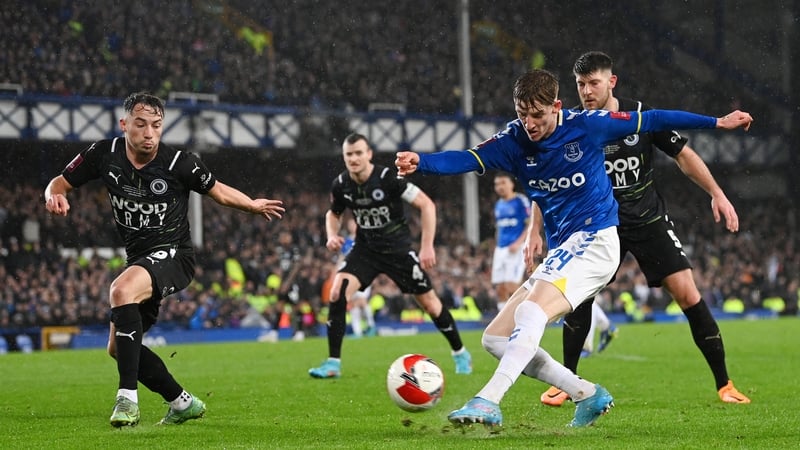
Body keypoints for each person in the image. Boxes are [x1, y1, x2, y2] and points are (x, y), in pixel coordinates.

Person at [395, 69, 752, 427]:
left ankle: (488, 400)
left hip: (597, 240)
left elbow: (655, 118)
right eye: (522, 113)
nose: (529, 123)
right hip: (565, 247)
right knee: (495, 338)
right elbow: (467, 158)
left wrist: (716, 122)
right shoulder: (513, 139)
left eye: (537, 114)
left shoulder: (588, 125)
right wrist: (422, 162)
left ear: (556, 106)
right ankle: (586, 393)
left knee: (532, 312)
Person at [43, 92, 285, 428]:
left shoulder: (179, 163)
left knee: (120, 290)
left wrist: (252, 205)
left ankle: (127, 400)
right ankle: (182, 402)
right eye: (140, 124)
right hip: (139, 259)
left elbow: (218, 191)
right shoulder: (104, 154)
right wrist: (53, 195)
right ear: (124, 124)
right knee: (117, 348)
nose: (149, 133)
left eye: (156, 125)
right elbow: (59, 183)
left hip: (174, 255)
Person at [540, 51, 751, 407]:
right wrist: (534, 231)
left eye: (594, 83)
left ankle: (725, 384)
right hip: (600, 225)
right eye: (580, 84)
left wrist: (717, 193)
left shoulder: (639, 116)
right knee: (579, 296)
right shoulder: (572, 125)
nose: (587, 91)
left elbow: (683, 154)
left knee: (688, 295)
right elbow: (546, 180)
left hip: (647, 219)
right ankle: (566, 382)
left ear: (611, 81)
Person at [309, 132, 472, 379]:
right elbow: (333, 213)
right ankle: (333, 363)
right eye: (349, 154)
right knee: (337, 292)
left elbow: (426, 204)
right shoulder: (341, 184)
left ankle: (460, 353)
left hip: (398, 250)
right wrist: (332, 235)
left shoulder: (388, 178)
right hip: (366, 250)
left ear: (369, 154)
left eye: (358, 153)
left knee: (430, 304)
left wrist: (427, 246)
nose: (353, 158)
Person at [490, 172, 530, 312]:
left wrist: (519, 243)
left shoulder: (521, 201)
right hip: (500, 249)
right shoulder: (498, 204)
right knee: (500, 288)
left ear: (511, 184)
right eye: (497, 184)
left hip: (516, 248)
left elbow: (530, 224)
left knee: (511, 286)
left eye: (503, 183)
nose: (500, 187)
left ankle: (524, 314)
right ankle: (503, 318)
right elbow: (499, 228)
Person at [341, 217, 376, 337]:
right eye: (350, 225)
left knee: (362, 300)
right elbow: (343, 257)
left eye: (353, 224)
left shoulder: (365, 239)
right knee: (353, 303)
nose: (352, 227)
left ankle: (371, 326)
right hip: (351, 274)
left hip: (364, 272)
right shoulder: (347, 241)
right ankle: (358, 332)